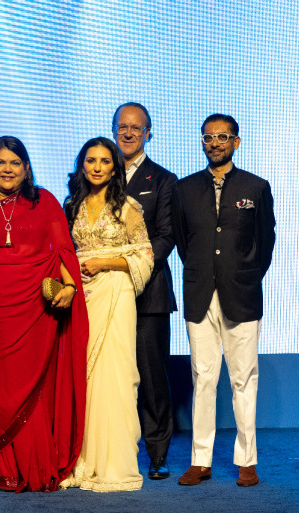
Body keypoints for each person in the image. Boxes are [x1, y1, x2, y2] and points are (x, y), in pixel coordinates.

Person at [0, 136, 88, 492]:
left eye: (14, 163)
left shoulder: (44, 201)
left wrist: (70, 288)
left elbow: (62, 250)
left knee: (35, 387)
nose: (7, 169)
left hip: (34, 310)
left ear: (26, 168)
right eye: (0, 162)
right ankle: (8, 467)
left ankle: (37, 467)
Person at [172, 114, 275, 487]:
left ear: (236, 141)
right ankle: (201, 460)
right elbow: (185, 243)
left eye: (222, 136)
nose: (214, 143)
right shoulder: (184, 190)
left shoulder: (257, 187)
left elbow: (264, 244)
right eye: (208, 137)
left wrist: (243, 275)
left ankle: (246, 460)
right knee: (203, 378)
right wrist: (206, 274)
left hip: (243, 296)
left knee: (244, 379)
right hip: (200, 295)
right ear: (202, 143)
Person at [62, 137, 153, 492]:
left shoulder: (127, 206)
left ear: (115, 166)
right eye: (90, 160)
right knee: (81, 376)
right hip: (80, 298)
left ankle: (113, 463)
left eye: (104, 160)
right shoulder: (72, 206)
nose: (97, 167)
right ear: (82, 165)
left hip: (116, 294)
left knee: (114, 376)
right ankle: (82, 458)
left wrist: (105, 262)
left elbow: (145, 255)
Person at [112, 102, 177, 479]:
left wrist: (132, 268)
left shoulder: (163, 180)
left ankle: (157, 454)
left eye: (136, 128)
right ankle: (117, 453)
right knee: (111, 378)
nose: (128, 133)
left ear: (148, 133)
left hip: (147, 294)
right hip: (105, 295)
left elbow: (166, 236)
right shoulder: (98, 172)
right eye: (122, 126)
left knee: (153, 379)